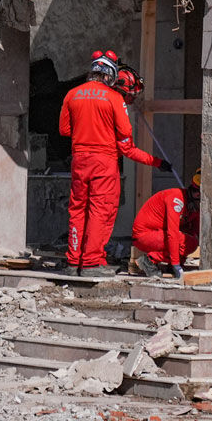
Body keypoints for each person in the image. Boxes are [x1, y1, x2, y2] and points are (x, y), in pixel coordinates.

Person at [58, 50, 144, 276]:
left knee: (78, 210)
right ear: (109, 75)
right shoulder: (114, 97)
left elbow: (64, 130)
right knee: (100, 210)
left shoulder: (72, 94)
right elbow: (125, 131)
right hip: (104, 160)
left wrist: (85, 131)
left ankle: (73, 262)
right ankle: (90, 263)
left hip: (79, 159)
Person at [131, 172, 200, 279]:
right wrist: (176, 264)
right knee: (185, 241)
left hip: (158, 233)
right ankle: (148, 261)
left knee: (192, 241)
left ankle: (170, 265)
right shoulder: (176, 199)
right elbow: (172, 234)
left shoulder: (193, 206)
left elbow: (195, 232)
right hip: (144, 235)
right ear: (197, 194)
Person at [113, 66, 173, 173]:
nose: (134, 99)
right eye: (132, 95)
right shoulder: (117, 110)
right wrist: (157, 162)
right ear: (121, 91)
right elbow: (128, 149)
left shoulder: (94, 99)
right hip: (103, 164)